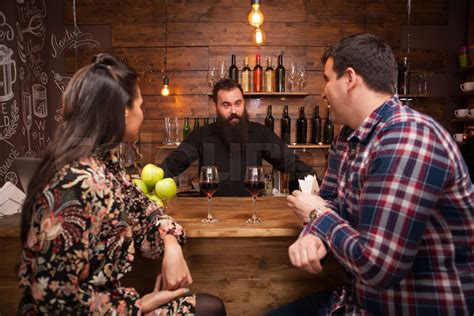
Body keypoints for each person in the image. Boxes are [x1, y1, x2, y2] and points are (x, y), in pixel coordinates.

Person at [271, 33, 474, 315]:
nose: (322, 92)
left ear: (350, 79)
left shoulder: (407, 139)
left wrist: (318, 217)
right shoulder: (349, 136)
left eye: (327, 79)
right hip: (355, 302)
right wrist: (313, 235)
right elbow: (330, 201)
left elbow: (379, 268)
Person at [18, 54, 226, 315]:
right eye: (140, 105)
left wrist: (171, 244)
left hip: (110, 304)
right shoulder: (78, 181)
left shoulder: (106, 163)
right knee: (209, 310)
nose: (143, 112)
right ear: (123, 113)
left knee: (210, 307)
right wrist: (138, 305)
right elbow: (52, 300)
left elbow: (143, 207)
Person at [160, 79, 313, 196]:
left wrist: (321, 188)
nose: (234, 110)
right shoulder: (201, 135)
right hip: (211, 215)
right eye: (226, 105)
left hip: (252, 216)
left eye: (238, 103)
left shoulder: (260, 133)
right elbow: (171, 167)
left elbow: (293, 164)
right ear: (216, 107)